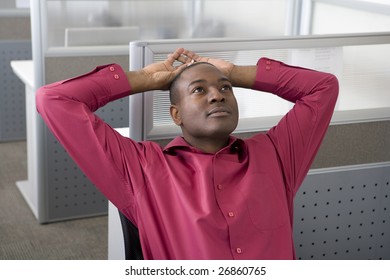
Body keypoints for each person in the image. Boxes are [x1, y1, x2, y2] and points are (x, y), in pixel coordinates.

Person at [36, 48, 338, 260]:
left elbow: (322, 87)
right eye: (198, 90)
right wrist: (146, 78)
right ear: (176, 114)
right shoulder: (142, 169)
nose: (218, 94)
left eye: (225, 88)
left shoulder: (276, 154)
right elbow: (53, 99)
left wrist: (234, 72)